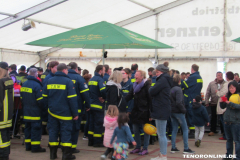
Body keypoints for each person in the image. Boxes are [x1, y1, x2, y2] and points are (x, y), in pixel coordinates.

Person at [43, 63, 78, 160]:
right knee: (66, 133)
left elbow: (44, 97)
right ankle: (66, 155)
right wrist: (75, 113)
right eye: (67, 70)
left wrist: (49, 108)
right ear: (64, 70)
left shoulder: (49, 81)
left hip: (52, 113)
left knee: (53, 132)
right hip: (65, 114)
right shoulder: (68, 82)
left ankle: (53, 155)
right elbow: (72, 99)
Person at [149, 62, 172, 160]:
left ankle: (163, 155)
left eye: (157, 72)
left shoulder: (162, 80)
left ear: (161, 72)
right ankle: (162, 154)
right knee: (161, 133)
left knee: (161, 134)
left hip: (161, 109)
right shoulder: (165, 79)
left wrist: (150, 87)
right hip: (162, 108)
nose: (155, 74)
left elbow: (152, 91)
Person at [125, 70, 151, 156]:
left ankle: (145, 148)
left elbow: (150, 100)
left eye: (136, 75)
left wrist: (151, 114)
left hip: (144, 111)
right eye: (134, 74)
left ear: (142, 77)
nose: (134, 76)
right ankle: (137, 147)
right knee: (135, 130)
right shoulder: (134, 85)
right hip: (136, 111)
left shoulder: (147, 86)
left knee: (146, 130)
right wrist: (121, 101)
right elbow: (129, 96)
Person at [20, 68, 46, 153]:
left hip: (26, 111)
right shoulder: (37, 85)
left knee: (27, 129)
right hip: (35, 112)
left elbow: (21, 98)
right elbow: (41, 100)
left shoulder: (24, 84)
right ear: (36, 74)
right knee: (36, 129)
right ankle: (35, 147)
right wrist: (43, 109)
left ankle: (28, 146)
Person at [67, 62, 90, 153]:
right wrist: (88, 105)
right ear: (76, 69)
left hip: (64, 108)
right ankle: (72, 147)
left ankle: (64, 146)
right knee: (75, 128)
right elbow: (85, 93)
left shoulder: (64, 77)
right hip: (77, 107)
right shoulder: (79, 78)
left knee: (65, 128)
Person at [170, 74, 194, 154]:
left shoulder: (171, 89)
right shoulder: (178, 89)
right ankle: (186, 148)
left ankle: (173, 147)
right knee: (185, 129)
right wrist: (184, 110)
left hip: (172, 112)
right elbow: (179, 102)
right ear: (180, 81)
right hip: (179, 112)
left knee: (174, 129)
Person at [220, 81, 240, 160]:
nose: (231, 89)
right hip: (227, 121)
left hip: (236, 121)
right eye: (230, 88)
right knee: (229, 140)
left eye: (233, 87)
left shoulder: (238, 96)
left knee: (237, 140)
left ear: (236, 87)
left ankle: (238, 157)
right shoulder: (228, 96)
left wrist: (230, 103)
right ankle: (228, 155)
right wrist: (222, 102)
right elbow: (222, 107)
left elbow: (238, 106)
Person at [181, 64, 203, 139]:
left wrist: (180, 80)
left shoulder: (193, 77)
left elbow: (185, 85)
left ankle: (192, 131)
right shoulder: (199, 77)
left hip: (190, 98)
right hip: (196, 97)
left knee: (190, 115)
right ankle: (194, 131)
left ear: (192, 69)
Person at [88, 65, 106, 147]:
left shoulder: (91, 79)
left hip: (91, 104)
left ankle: (90, 141)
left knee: (91, 123)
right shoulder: (100, 79)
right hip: (98, 105)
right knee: (98, 124)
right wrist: (104, 98)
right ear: (100, 71)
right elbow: (103, 91)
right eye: (104, 71)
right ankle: (97, 142)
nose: (104, 72)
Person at [0, 62, 14, 160]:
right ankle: (6, 154)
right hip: (8, 115)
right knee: (6, 135)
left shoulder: (0, 82)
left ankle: (3, 155)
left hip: (1, 115)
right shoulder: (10, 80)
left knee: (1, 138)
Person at [205, 72, 225, 136]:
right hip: (214, 102)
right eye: (219, 75)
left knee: (222, 118)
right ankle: (212, 130)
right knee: (213, 117)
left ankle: (223, 131)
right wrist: (206, 101)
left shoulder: (225, 84)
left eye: (221, 75)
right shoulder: (212, 84)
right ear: (216, 76)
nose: (220, 76)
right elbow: (208, 93)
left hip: (222, 103)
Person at [42, 61, 59, 134]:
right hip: (50, 103)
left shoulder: (56, 77)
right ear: (51, 68)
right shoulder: (48, 78)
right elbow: (45, 92)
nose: (57, 69)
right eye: (56, 67)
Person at [216, 72, 234, 140]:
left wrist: (217, 92)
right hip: (231, 104)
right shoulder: (234, 84)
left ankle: (226, 136)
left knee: (224, 121)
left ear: (226, 77)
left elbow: (221, 93)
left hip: (224, 104)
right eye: (219, 75)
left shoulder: (227, 84)